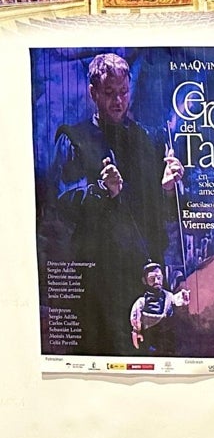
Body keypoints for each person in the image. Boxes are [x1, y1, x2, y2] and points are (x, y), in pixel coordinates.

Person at [52, 52, 184, 355]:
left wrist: (166, 189)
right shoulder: (73, 138)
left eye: (123, 92)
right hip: (100, 277)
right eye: (109, 93)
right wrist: (102, 190)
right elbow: (62, 203)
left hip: (146, 273)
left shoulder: (146, 138)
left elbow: (162, 214)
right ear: (93, 93)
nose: (118, 101)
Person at [129, 261, 189, 353]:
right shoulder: (141, 302)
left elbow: (177, 300)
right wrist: (137, 332)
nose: (156, 281)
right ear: (144, 281)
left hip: (169, 340)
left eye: (159, 278)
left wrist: (183, 296)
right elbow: (135, 319)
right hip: (151, 341)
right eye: (152, 278)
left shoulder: (169, 296)